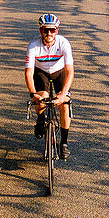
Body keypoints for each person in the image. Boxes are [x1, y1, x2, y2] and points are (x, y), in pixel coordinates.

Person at [24, 12, 73, 160]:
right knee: (42, 97)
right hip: (41, 73)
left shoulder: (63, 43)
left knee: (64, 104)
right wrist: (33, 94)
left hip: (59, 73)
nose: (49, 33)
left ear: (57, 30)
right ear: (41, 31)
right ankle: (40, 118)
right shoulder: (33, 46)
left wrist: (63, 94)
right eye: (46, 29)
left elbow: (70, 71)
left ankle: (63, 143)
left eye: (53, 30)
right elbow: (28, 73)